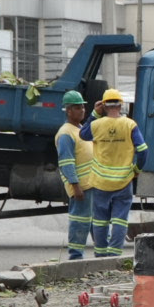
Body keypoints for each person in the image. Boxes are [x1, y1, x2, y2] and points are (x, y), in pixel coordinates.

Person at [78, 88, 148, 258]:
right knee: (119, 219)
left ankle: (100, 255)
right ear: (120, 104)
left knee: (100, 220)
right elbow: (143, 150)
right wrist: (137, 170)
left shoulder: (96, 125)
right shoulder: (129, 125)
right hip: (123, 180)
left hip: (101, 181)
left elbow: (83, 134)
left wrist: (95, 112)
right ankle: (114, 256)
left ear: (104, 105)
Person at [54, 90, 95, 259]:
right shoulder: (65, 133)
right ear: (68, 110)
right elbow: (66, 162)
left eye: (83, 107)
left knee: (95, 222)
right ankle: (75, 257)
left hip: (91, 184)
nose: (82, 110)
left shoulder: (80, 129)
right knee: (80, 221)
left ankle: (104, 254)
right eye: (78, 107)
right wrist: (75, 185)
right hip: (82, 186)